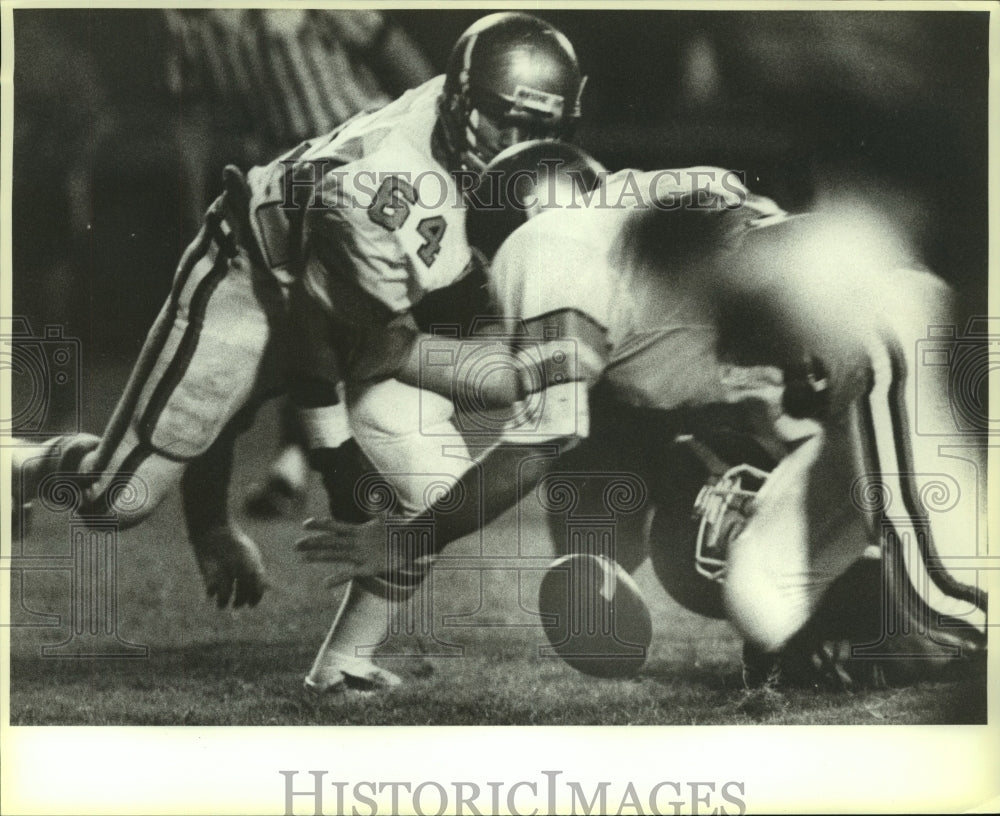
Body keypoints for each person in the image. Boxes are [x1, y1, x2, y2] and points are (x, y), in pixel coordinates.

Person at [298, 142, 988, 687]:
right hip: (838, 393)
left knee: (948, 623)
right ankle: (888, 596)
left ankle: (936, 600)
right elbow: (534, 377)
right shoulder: (624, 232)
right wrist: (403, 354)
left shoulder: (549, 245)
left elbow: (538, 442)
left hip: (881, 340)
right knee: (761, 601)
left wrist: (414, 538)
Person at [12, 14, 587, 630]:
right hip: (250, 283)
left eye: (539, 129)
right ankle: (18, 467)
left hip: (344, 296)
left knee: (440, 457)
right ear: (459, 101)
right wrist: (329, 463)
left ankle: (345, 662)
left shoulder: (477, 153)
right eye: (506, 120)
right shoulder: (382, 182)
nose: (517, 144)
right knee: (113, 500)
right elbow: (324, 333)